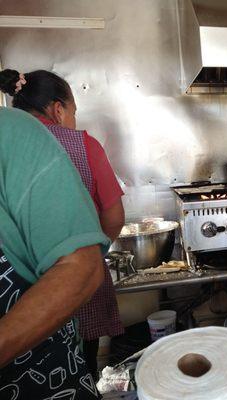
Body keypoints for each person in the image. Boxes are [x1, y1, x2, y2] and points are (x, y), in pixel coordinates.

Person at [0, 69, 125, 380]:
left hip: (19, 310)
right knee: (83, 367)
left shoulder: (9, 135)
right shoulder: (83, 144)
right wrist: (96, 247)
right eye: (73, 112)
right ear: (58, 109)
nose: (73, 120)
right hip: (78, 286)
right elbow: (114, 217)